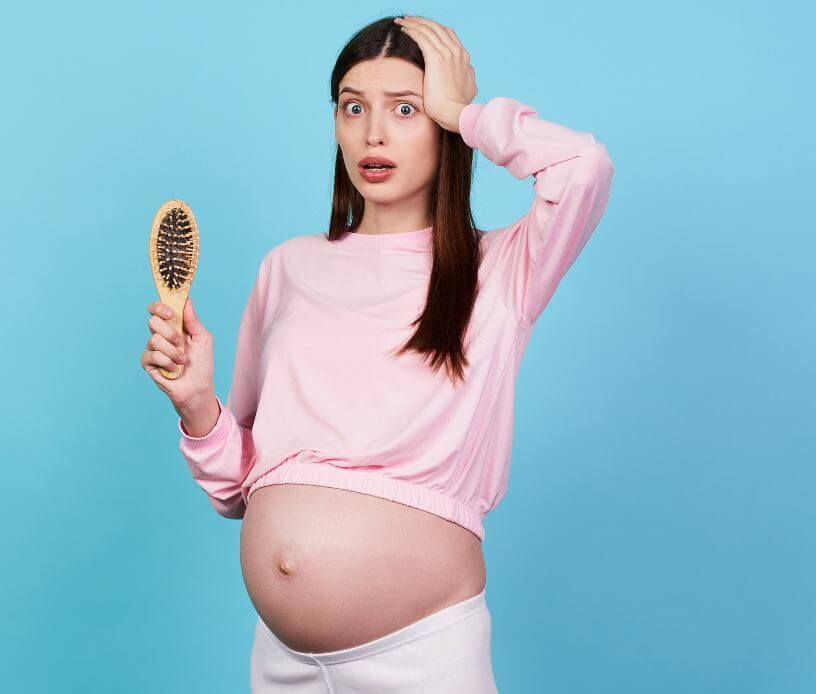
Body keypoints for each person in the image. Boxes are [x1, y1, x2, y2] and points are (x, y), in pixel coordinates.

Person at [140, 14, 613, 693]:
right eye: (353, 107)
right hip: (282, 665)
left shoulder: (501, 269)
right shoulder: (289, 268)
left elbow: (584, 166)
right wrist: (196, 408)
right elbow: (240, 488)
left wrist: (465, 112)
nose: (373, 133)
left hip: (423, 659)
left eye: (406, 108)